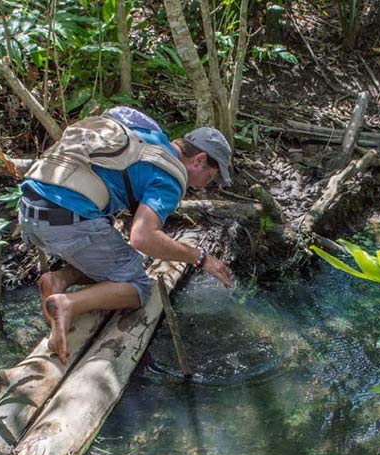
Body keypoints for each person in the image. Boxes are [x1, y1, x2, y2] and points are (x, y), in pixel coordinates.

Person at [18, 107, 233, 363]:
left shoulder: (145, 135)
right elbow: (143, 237)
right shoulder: (170, 176)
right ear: (198, 160)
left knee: (124, 259)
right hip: (66, 217)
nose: (205, 184)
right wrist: (200, 258)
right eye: (210, 176)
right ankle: (69, 304)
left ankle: (59, 280)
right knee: (139, 286)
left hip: (29, 208)